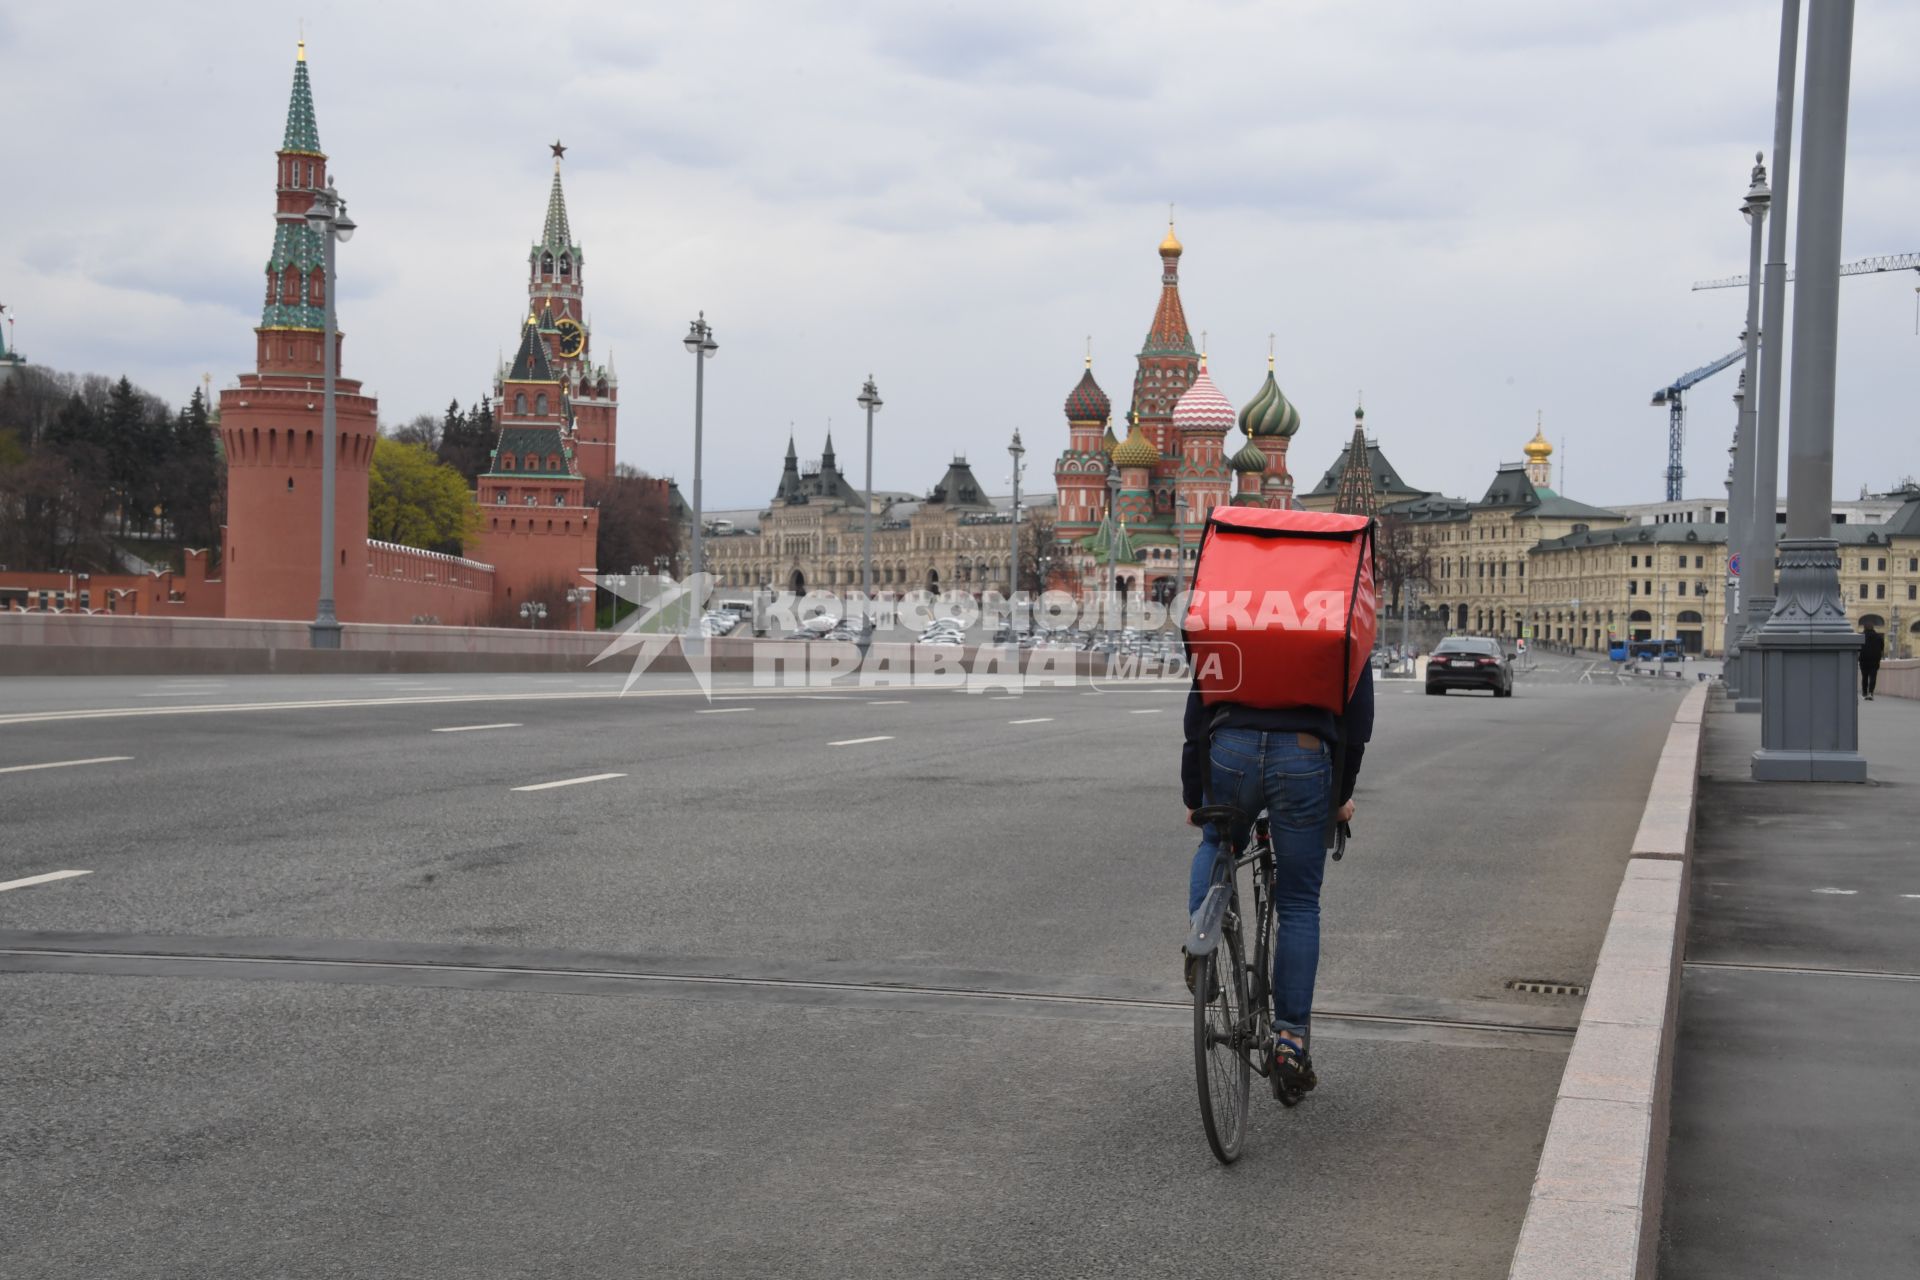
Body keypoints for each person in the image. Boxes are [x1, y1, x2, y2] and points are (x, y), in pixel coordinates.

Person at [1180, 657, 1374, 1096]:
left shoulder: (1237, 603)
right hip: (1304, 754)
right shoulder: (1337, 603)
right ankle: (1289, 1042)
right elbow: (1358, 720)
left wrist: (1195, 793)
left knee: (1216, 843)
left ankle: (1201, 936)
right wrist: (1340, 795)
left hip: (1231, 746)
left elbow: (1198, 706)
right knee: (1299, 903)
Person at [1860, 620, 1885, 700]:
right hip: (1875, 660)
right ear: (1873, 628)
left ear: (1864, 628)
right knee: (1873, 677)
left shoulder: (1861, 636)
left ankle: (1864, 693)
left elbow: (1858, 649)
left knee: (1864, 677)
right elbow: (1882, 648)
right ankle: (1870, 693)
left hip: (1864, 660)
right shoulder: (1879, 637)